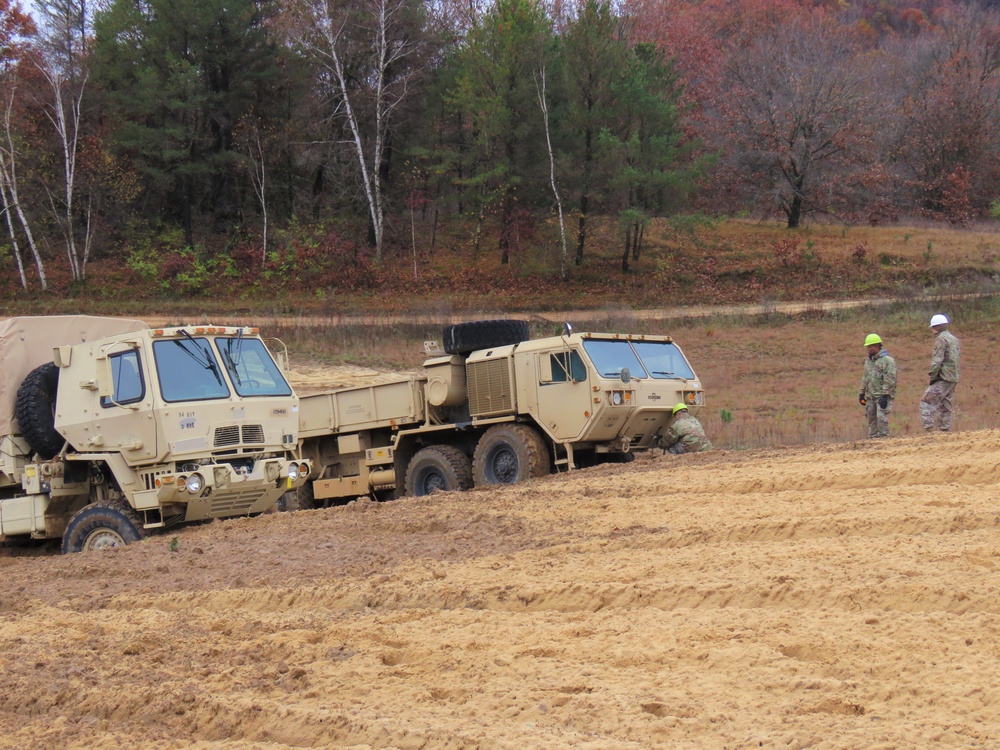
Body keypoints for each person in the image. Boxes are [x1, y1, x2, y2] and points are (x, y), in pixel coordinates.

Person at [920, 313, 960, 432]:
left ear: (935, 327)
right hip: (953, 378)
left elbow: (937, 361)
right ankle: (944, 432)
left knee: (926, 402)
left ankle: (929, 431)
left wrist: (933, 376)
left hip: (943, 378)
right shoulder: (954, 339)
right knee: (945, 406)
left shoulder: (940, 339)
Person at [858, 333, 897, 439]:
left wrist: (885, 395)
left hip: (881, 397)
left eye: (870, 347)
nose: (868, 349)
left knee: (881, 419)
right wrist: (861, 393)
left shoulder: (887, 361)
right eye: (867, 347)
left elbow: (890, 379)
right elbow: (865, 377)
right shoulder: (868, 362)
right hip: (870, 397)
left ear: (877, 346)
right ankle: (873, 442)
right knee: (871, 421)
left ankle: (884, 441)